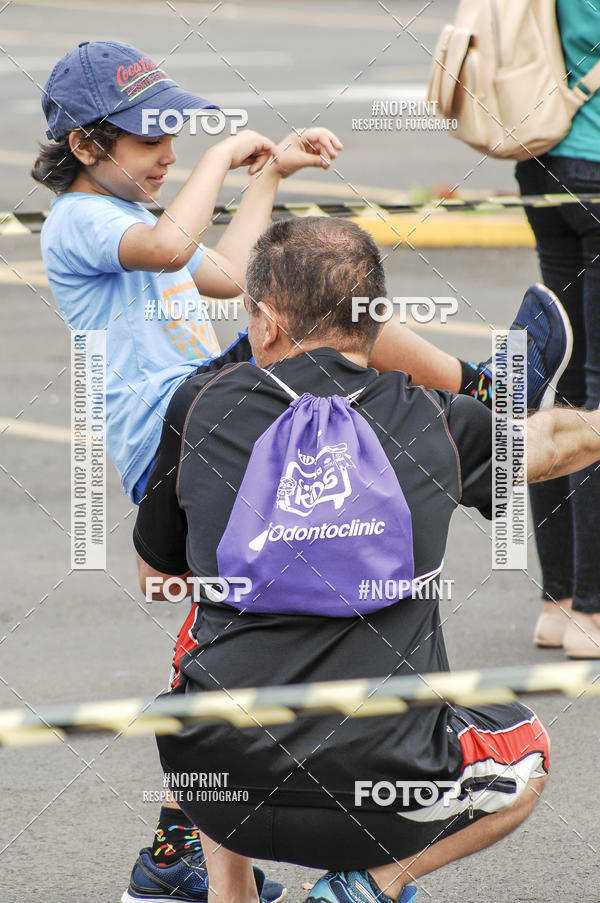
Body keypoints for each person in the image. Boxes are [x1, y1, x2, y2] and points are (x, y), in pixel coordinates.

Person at [33, 41, 572, 903]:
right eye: (149, 139)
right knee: (339, 307)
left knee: (222, 628)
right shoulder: (79, 220)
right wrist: (219, 157)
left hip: (208, 401)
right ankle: (486, 388)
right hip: (181, 421)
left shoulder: (131, 215)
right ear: (87, 146)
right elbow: (174, 248)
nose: (167, 154)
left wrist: (269, 179)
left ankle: (178, 852)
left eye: (173, 138)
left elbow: (229, 274)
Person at [131, 216, 600, 903]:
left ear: (267, 320)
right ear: (378, 321)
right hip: (384, 796)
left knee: (206, 656)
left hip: (218, 789)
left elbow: (158, 578)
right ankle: (369, 886)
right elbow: (555, 442)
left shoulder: (199, 407)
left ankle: (229, 894)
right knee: (526, 750)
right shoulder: (438, 422)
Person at [515, 0, 600, 658]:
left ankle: (561, 603)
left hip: (545, 156)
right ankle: (593, 614)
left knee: (564, 388)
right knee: (596, 402)